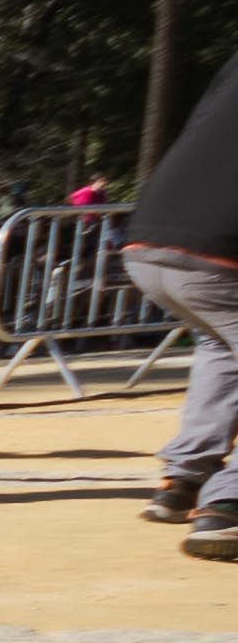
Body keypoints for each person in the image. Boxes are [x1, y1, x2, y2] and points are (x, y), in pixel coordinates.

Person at [126, 45, 238, 557]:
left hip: (150, 237)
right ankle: (227, 505)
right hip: (220, 249)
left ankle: (181, 481)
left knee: (220, 346)